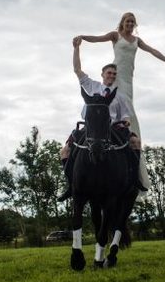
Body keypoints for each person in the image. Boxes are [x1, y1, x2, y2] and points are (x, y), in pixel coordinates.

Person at [73, 12, 165, 191]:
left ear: (135, 24)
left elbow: (153, 51)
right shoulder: (115, 36)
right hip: (116, 75)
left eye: (132, 22)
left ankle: (130, 151)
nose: (130, 24)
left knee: (125, 108)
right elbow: (98, 38)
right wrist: (83, 38)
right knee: (108, 100)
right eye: (127, 21)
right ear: (122, 23)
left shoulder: (137, 40)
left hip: (127, 79)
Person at [58, 37, 145, 202]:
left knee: (135, 142)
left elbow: (125, 115)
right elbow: (77, 70)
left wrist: (126, 121)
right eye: (109, 73)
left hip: (111, 128)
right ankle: (70, 185)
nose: (111, 76)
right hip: (90, 128)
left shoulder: (119, 95)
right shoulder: (92, 86)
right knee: (64, 151)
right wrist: (76, 48)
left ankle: (135, 179)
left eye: (114, 74)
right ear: (103, 74)